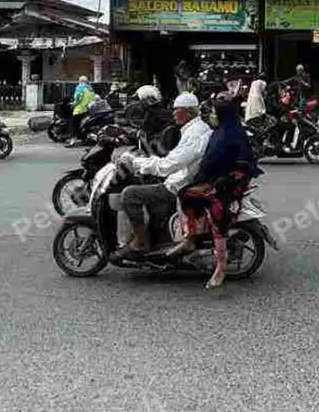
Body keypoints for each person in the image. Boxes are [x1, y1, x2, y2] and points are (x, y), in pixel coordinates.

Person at [110, 92, 212, 262]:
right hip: (180, 176)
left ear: (188, 112)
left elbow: (169, 165)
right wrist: (147, 162)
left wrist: (137, 163)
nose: (172, 113)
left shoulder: (194, 133)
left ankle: (139, 242)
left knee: (130, 194)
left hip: (179, 184)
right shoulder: (194, 128)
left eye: (176, 110)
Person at [175, 94, 262, 288]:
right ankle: (192, 237)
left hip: (229, 184)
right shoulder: (220, 130)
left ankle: (220, 268)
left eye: (214, 112)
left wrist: (226, 179)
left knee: (217, 214)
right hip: (215, 179)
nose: (211, 115)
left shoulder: (232, 134)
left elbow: (244, 163)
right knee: (185, 194)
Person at [68, 75, 95, 147]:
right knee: (80, 125)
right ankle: (83, 139)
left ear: (80, 81)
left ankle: (72, 141)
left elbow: (78, 99)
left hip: (79, 110)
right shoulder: (90, 89)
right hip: (87, 110)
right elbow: (93, 99)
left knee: (74, 126)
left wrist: (73, 104)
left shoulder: (80, 88)